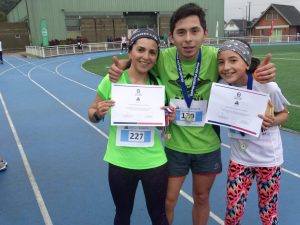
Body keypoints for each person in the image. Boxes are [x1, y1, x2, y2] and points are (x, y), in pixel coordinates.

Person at [108, 3, 276, 225]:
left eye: (194, 31)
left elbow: (237, 65)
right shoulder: (163, 59)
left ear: (205, 34)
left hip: (207, 147)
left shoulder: (216, 58)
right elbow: (141, 62)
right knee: (168, 201)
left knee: (201, 197)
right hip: (174, 146)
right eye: (181, 32)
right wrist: (122, 65)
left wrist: (259, 70)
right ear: (172, 37)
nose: (188, 38)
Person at [88, 28, 176, 225]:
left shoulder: (158, 85)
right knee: (122, 214)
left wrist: (169, 118)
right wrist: (98, 113)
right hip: (120, 161)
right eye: (141, 50)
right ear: (130, 51)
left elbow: (164, 124)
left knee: (159, 216)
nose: (146, 56)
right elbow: (92, 112)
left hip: (153, 162)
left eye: (152, 52)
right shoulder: (112, 81)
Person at [217, 39, 289, 225]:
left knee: (268, 212)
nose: (226, 67)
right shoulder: (222, 87)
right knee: (232, 213)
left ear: (247, 62)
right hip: (239, 159)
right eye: (221, 62)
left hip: (268, 160)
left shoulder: (267, 87)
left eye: (233, 60)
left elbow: (284, 114)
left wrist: (273, 120)